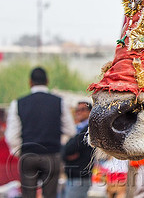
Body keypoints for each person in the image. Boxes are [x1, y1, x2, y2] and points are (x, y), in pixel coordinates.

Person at [5, 67, 76, 198]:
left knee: (28, 195)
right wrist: (57, 143)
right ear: (47, 81)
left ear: (30, 82)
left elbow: (12, 136)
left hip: (28, 156)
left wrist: (21, 151)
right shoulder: (59, 102)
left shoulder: (18, 103)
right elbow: (70, 130)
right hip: (52, 155)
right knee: (50, 195)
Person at [63, 101, 95, 198]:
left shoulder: (89, 129)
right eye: (77, 110)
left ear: (90, 112)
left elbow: (69, 149)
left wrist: (65, 153)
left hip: (80, 176)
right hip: (74, 175)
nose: (79, 112)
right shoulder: (79, 128)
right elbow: (66, 151)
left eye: (83, 110)